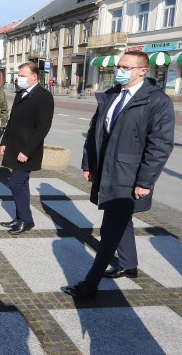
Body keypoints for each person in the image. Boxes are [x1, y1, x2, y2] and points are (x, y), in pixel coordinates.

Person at [62, 51, 174, 299]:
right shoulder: (112, 94)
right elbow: (94, 133)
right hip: (107, 169)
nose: (119, 70)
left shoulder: (156, 100)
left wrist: (145, 181)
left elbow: (160, 145)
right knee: (122, 220)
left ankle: (89, 284)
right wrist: (88, 163)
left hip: (130, 175)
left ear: (142, 71)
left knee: (110, 226)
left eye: (125, 67)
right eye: (118, 66)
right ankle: (128, 264)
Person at [0, 62, 53, 235]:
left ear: (34, 76)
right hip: (14, 146)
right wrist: (4, 142)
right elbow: (12, 121)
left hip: (28, 150)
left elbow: (42, 128)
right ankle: (20, 217)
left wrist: (27, 151)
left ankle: (27, 220)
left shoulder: (43, 96)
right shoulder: (20, 94)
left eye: (22, 76)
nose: (19, 79)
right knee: (21, 183)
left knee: (15, 182)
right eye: (18, 76)